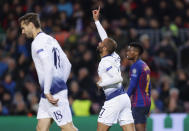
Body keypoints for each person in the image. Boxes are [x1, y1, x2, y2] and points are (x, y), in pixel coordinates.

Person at [19, 13, 77, 131]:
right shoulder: (51, 39)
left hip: (51, 91)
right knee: (41, 128)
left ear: (31, 25)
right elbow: (68, 65)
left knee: (67, 128)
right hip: (51, 91)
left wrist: (48, 90)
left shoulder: (37, 43)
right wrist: (60, 82)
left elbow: (48, 65)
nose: (22, 32)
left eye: (23, 28)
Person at [92, 7, 135, 131]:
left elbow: (118, 78)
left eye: (101, 43)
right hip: (124, 99)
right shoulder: (114, 55)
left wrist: (101, 83)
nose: (99, 43)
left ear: (105, 48)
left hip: (114, 100)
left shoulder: (106, 61)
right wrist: (96, 21)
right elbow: (105, 37)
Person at [126, 42, 151, 131]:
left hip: (139, 103)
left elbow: (132, 85)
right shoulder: (145, 65)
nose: (127, 53)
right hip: (145, 102)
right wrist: (149, 104)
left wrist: (124, 98)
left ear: (136, 53)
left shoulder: (136, 66)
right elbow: (149, 87)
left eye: (130, 51)